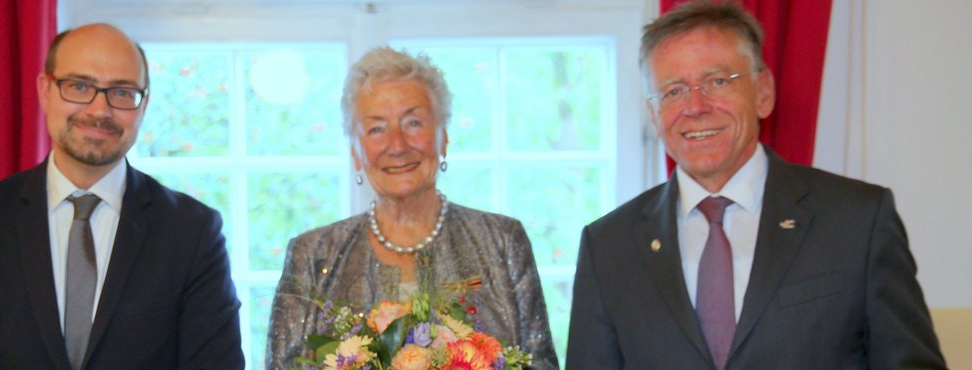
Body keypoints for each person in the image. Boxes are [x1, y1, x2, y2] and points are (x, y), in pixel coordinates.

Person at [566, 1, 946, 369]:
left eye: (717, 81)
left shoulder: (858, 221)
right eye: (673, 90)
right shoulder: (608, 248)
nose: (695, 106)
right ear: (654, 113)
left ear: (763, 93)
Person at [0, 23, 245, 369]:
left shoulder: (191, 231)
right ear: (45, 90)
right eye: (79, 86)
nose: (99, 110)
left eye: (121, 92)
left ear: (144, 105)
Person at [265, 46, 559, 369]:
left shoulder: (503, 241)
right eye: (376, 128)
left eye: (414, 123)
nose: (397, 145)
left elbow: (539, 363)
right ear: (356, 152)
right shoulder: (312, 254)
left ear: (442, 136)